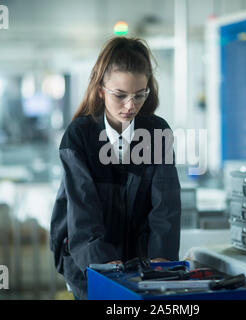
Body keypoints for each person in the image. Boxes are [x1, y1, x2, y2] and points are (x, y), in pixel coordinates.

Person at [49, 37, 181, 299]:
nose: (131, 105)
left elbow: (165, 205)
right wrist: (100, 262)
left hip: (141, 263)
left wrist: (162, 259)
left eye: (139, 94)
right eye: (120, 95)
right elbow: (82, 209)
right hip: (87, 257)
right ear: (101, 90)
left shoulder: (156, 132)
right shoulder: (80, 136)